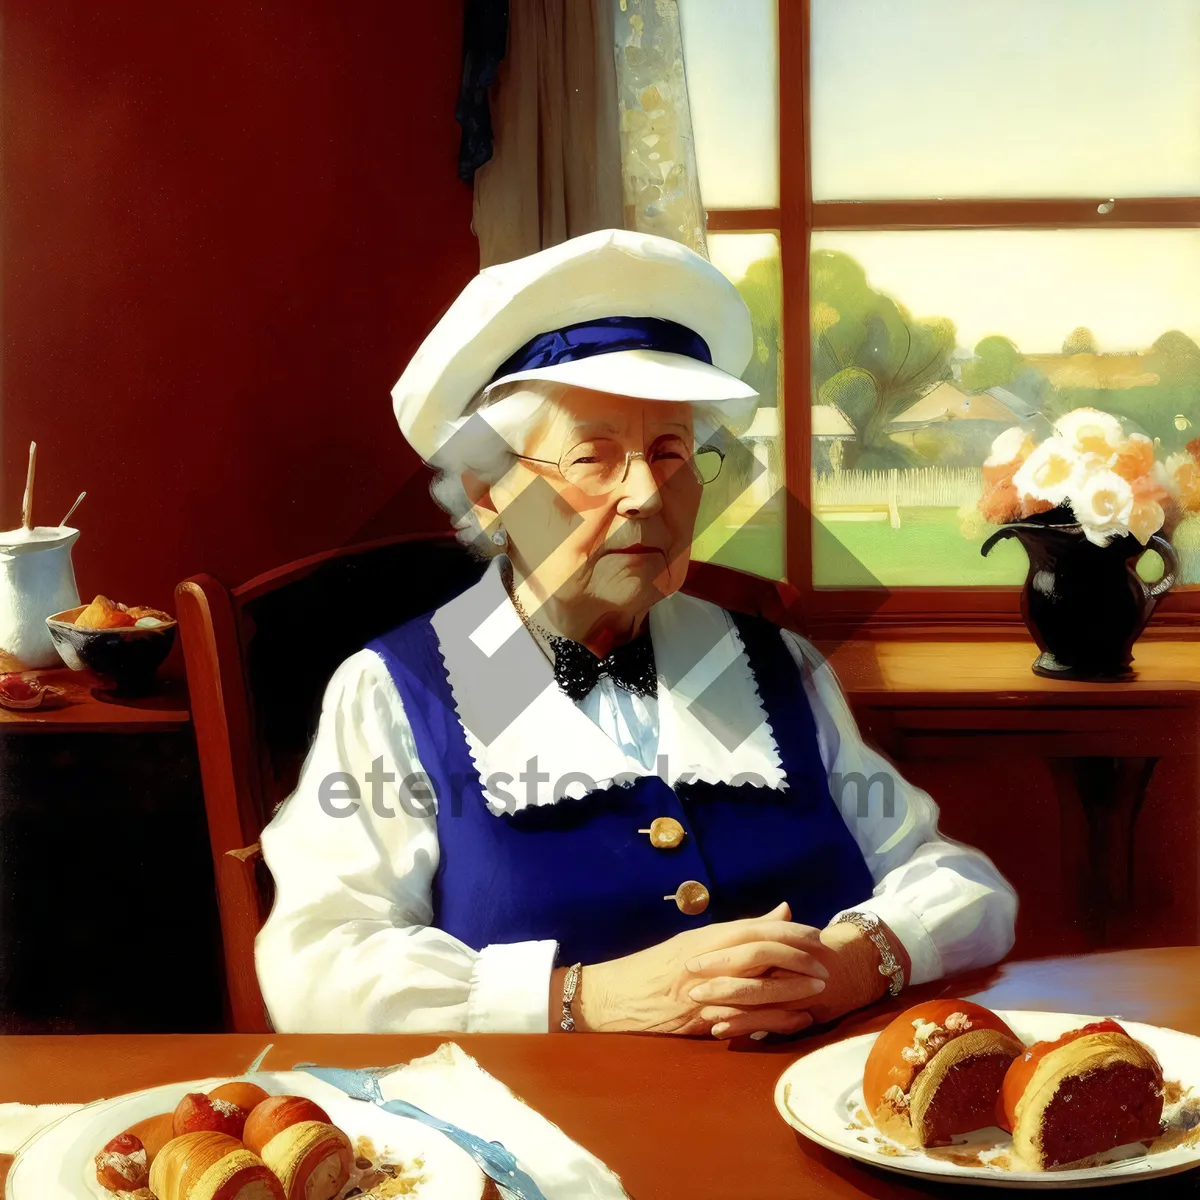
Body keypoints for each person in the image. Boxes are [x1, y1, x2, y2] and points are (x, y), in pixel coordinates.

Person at [256, 228, 1017, 1035]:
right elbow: (319, 965)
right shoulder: (393, 692)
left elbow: (962, 885)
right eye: (594, 459)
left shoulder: (774, 663)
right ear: (489, 494)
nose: (647, 496)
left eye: (669, 452)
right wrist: (582, 1000)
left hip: (816, 1115)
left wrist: (855, 964)